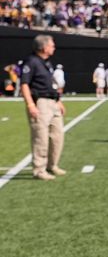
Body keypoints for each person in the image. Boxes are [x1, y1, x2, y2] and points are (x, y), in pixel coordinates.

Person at [20, 34, 67, 180]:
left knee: (57, 136)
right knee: (41, 138)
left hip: (52, 102)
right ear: (44, 47)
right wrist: (30, 104)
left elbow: (50, 84)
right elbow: (24, 84)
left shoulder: (46, 63)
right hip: (40, 102)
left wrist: (58, 101)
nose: (54, 47)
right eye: (51, 45)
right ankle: (39, 170)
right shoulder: (31, 62)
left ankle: (52, 165)